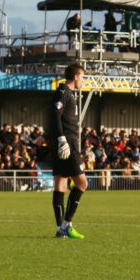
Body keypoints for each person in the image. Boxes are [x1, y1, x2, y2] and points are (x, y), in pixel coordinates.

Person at [48, 63, 87, 240]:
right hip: (67, 144)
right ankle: (66, 224)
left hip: (66, 143)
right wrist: (61, 139)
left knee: (61, 184)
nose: (83, 80)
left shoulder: (69, 93)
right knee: (82, 184)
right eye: (82, 76)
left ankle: (59, 229)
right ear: (75, 76)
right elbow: (55, 115)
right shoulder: (63, 91)